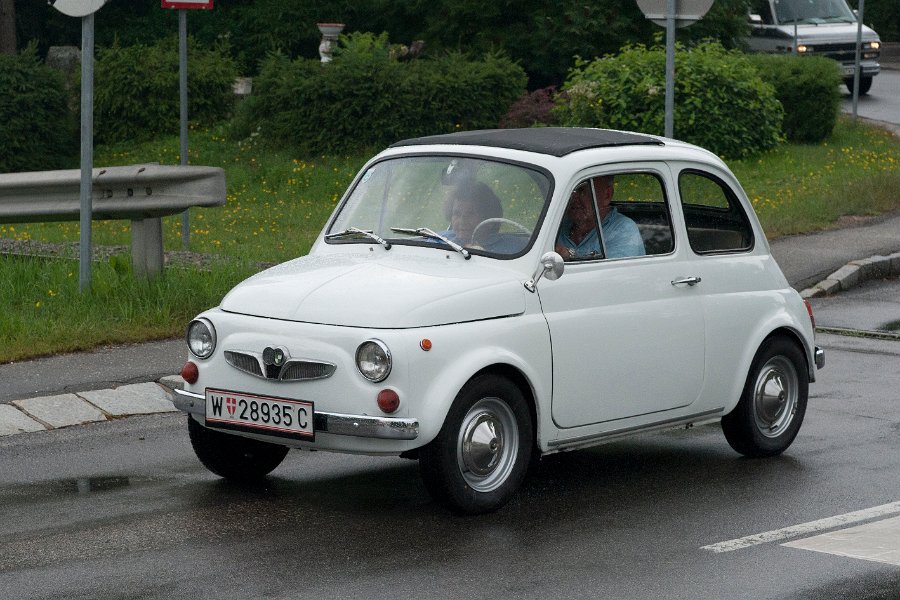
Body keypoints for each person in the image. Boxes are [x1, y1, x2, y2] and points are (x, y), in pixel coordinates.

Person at [555, 176, 645, 260]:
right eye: (570, 192)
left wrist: (570, 256)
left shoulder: (623, 229)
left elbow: (611, 273)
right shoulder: (557, 224)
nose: (573, 198)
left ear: (607, 195)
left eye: (581, 190)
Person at [441, 182, 523, 253]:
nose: (462, 220)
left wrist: (483, 254)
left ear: (489, 217)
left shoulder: (515, 248)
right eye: (456, 213)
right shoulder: (441, 238)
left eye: (470, 214)